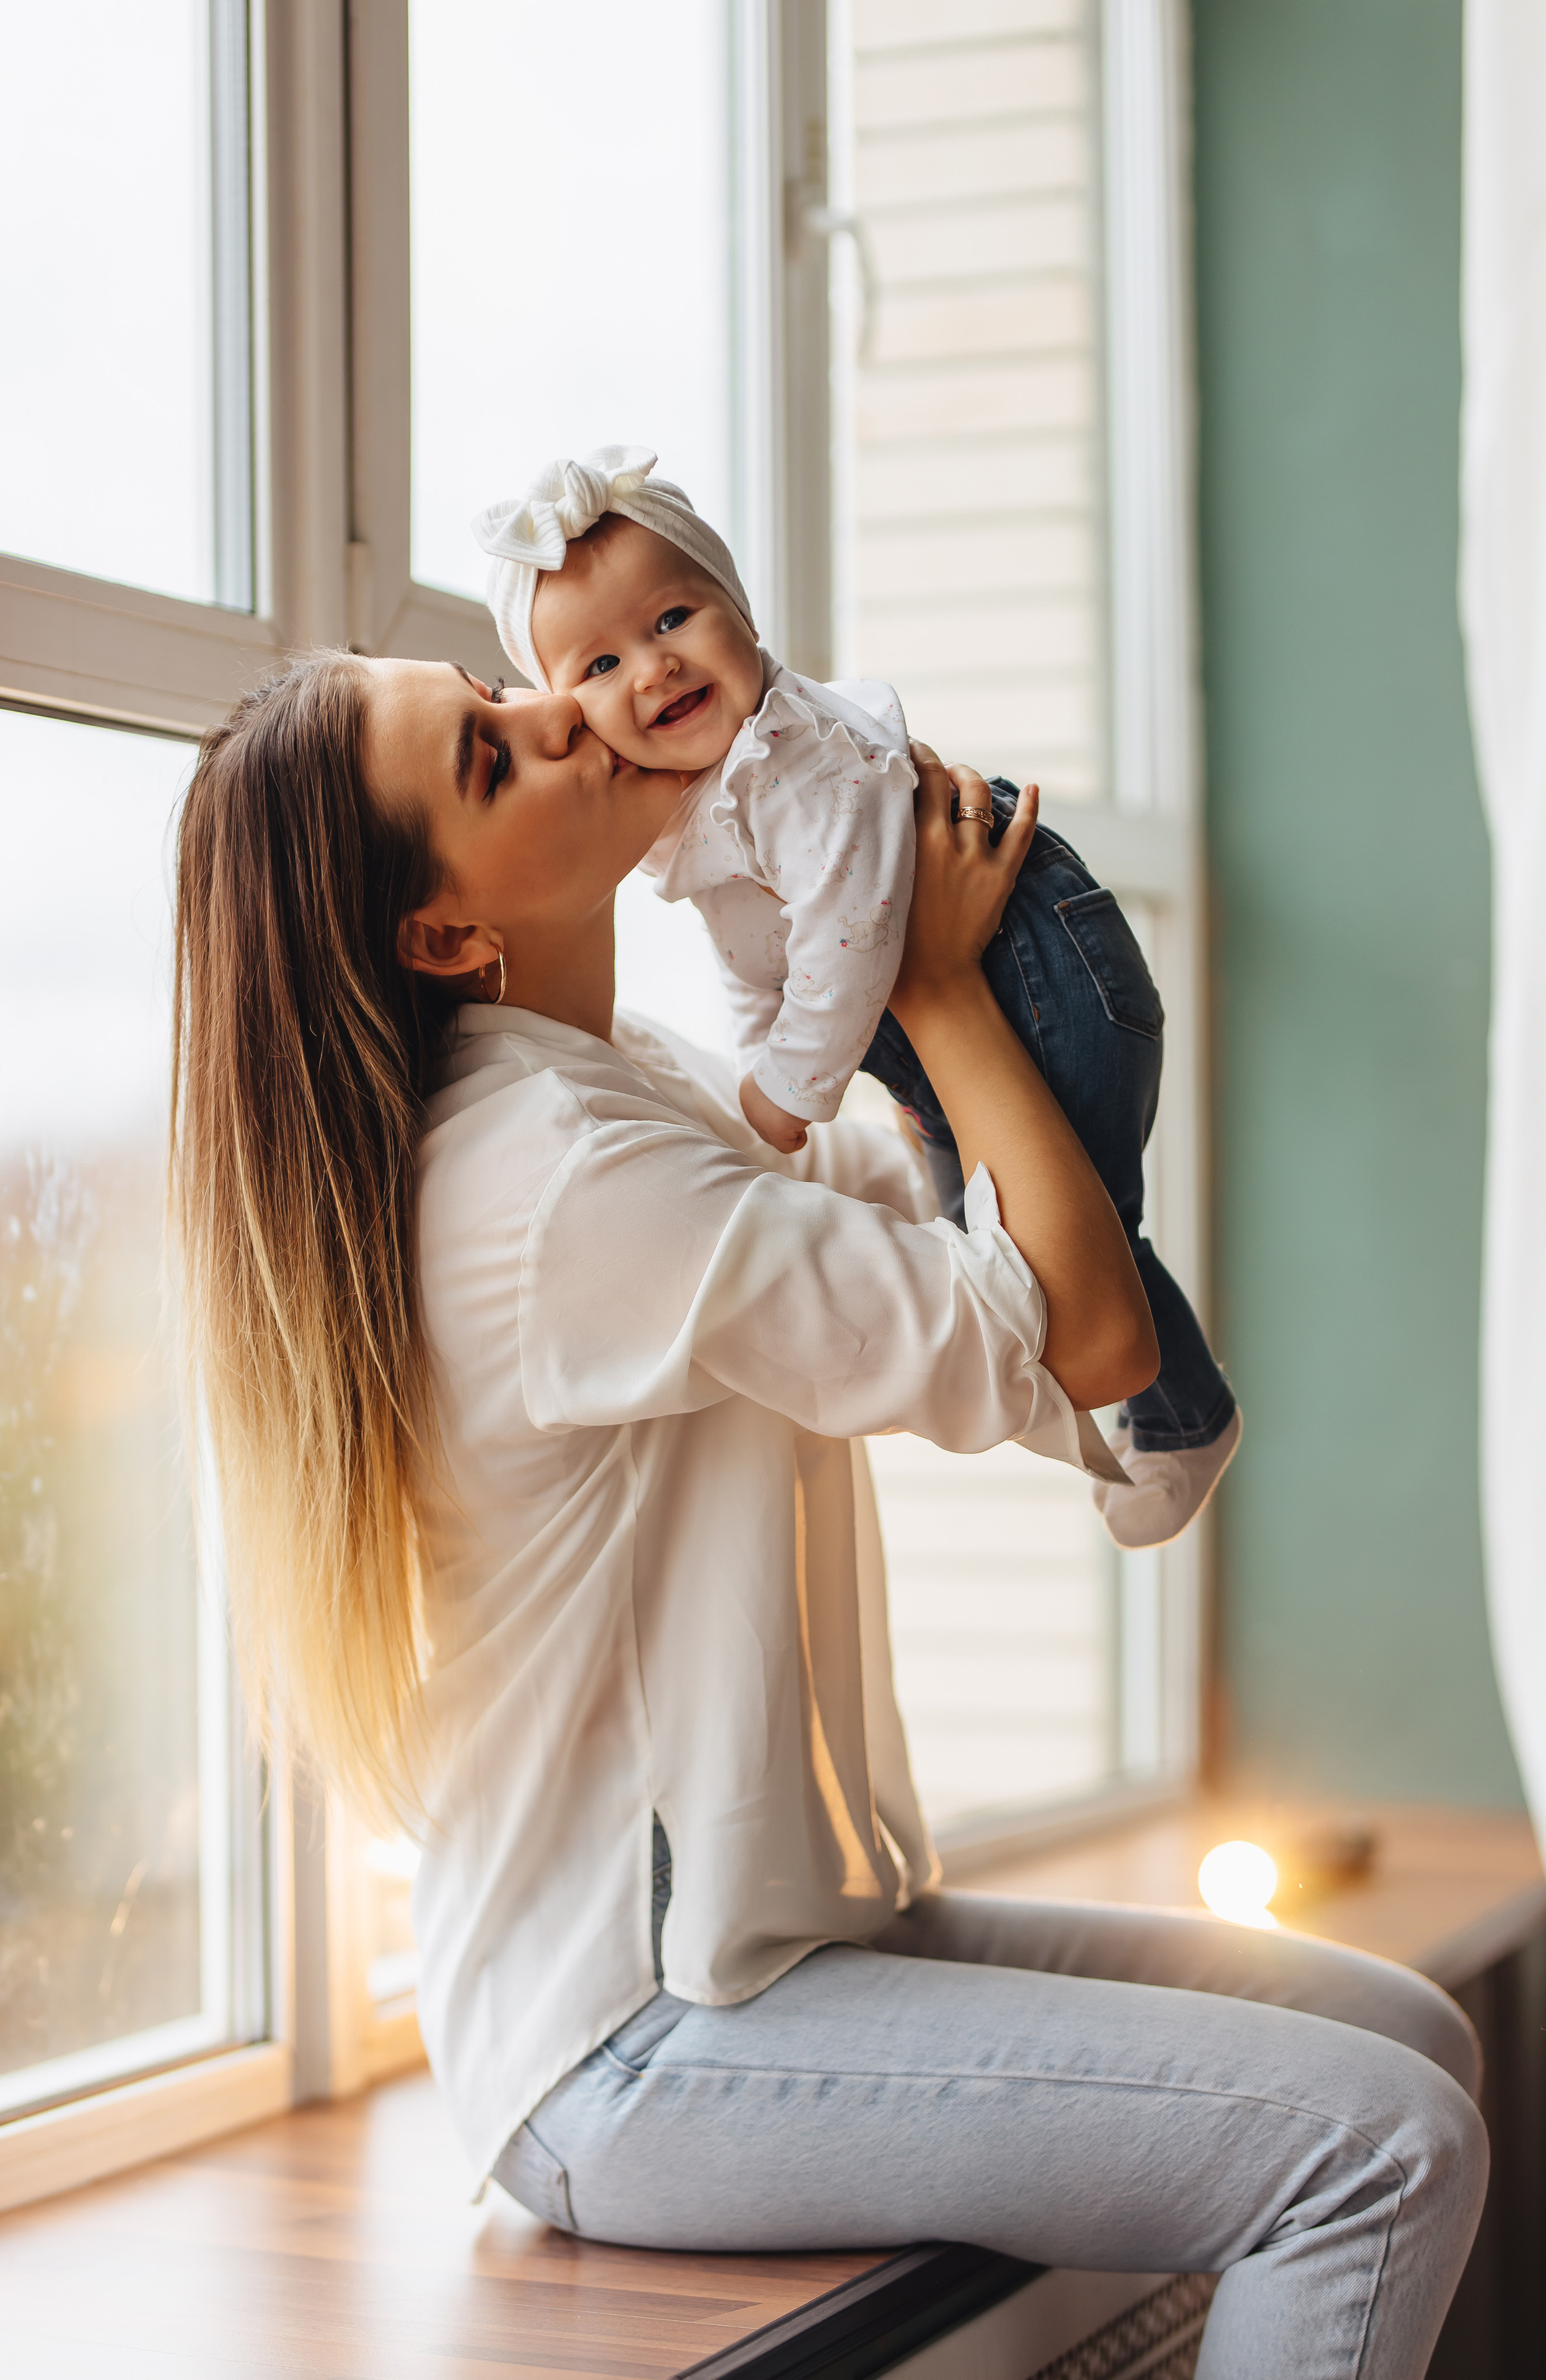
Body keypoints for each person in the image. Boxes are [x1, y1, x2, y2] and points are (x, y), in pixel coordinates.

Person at [170, 651, 1485, 2380]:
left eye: (500, 682)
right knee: (1382, 2146)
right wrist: (932, 983)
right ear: (440, 933)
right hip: (635, 2042)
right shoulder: (553, 1178)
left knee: (1408, 2034)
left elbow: (935, 1213)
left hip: (795, 1939)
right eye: (493, 758)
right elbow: (1079, 1333)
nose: (563, 706)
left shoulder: (622, 1084)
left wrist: (871, 900)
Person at [471, 446, 1239, 1551]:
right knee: (987, 1239)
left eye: (675, 618)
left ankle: (1184, 1417)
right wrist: (769, 1093)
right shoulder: (702, 811)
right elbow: (758, 965)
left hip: (1044, 974)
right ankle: (1139, 1407)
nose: (652, 669)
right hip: (950, 1001)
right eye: (595, 666)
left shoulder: (797, 764)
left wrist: (785, 1094)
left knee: (1075, 1245)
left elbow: (844, 946)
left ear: (739, 609)